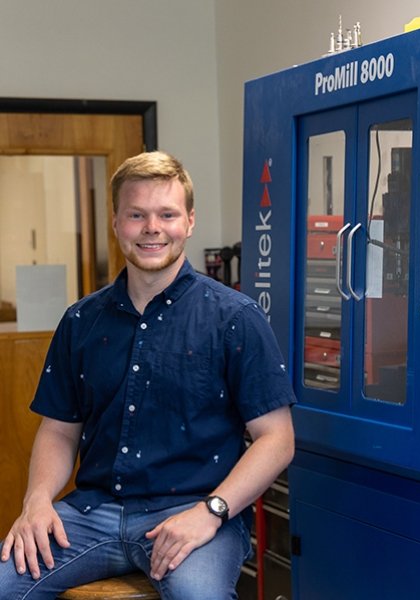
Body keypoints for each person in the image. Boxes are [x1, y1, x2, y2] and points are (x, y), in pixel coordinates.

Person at [0, 151, 296, 600]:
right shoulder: (81, 321)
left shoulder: (235, 318)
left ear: (190, 222)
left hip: (193, 511)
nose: (152, 228)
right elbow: (59, 430)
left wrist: (212, 511)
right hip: (91, 512)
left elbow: (277, 438)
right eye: (137, 215)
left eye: (167, 214)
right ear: (116, 223)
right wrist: (37, 500)